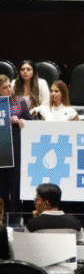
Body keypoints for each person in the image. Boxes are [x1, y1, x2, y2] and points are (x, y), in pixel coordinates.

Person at [0, 74, 33, 217]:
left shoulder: (20, 102)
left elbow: (31, 124)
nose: (9, 89)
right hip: (1, 151)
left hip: (16, 151)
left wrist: (20, 121)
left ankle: (14, 220)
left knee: (15, 187)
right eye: (4, 87)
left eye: (9, 86)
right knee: (1, 188)